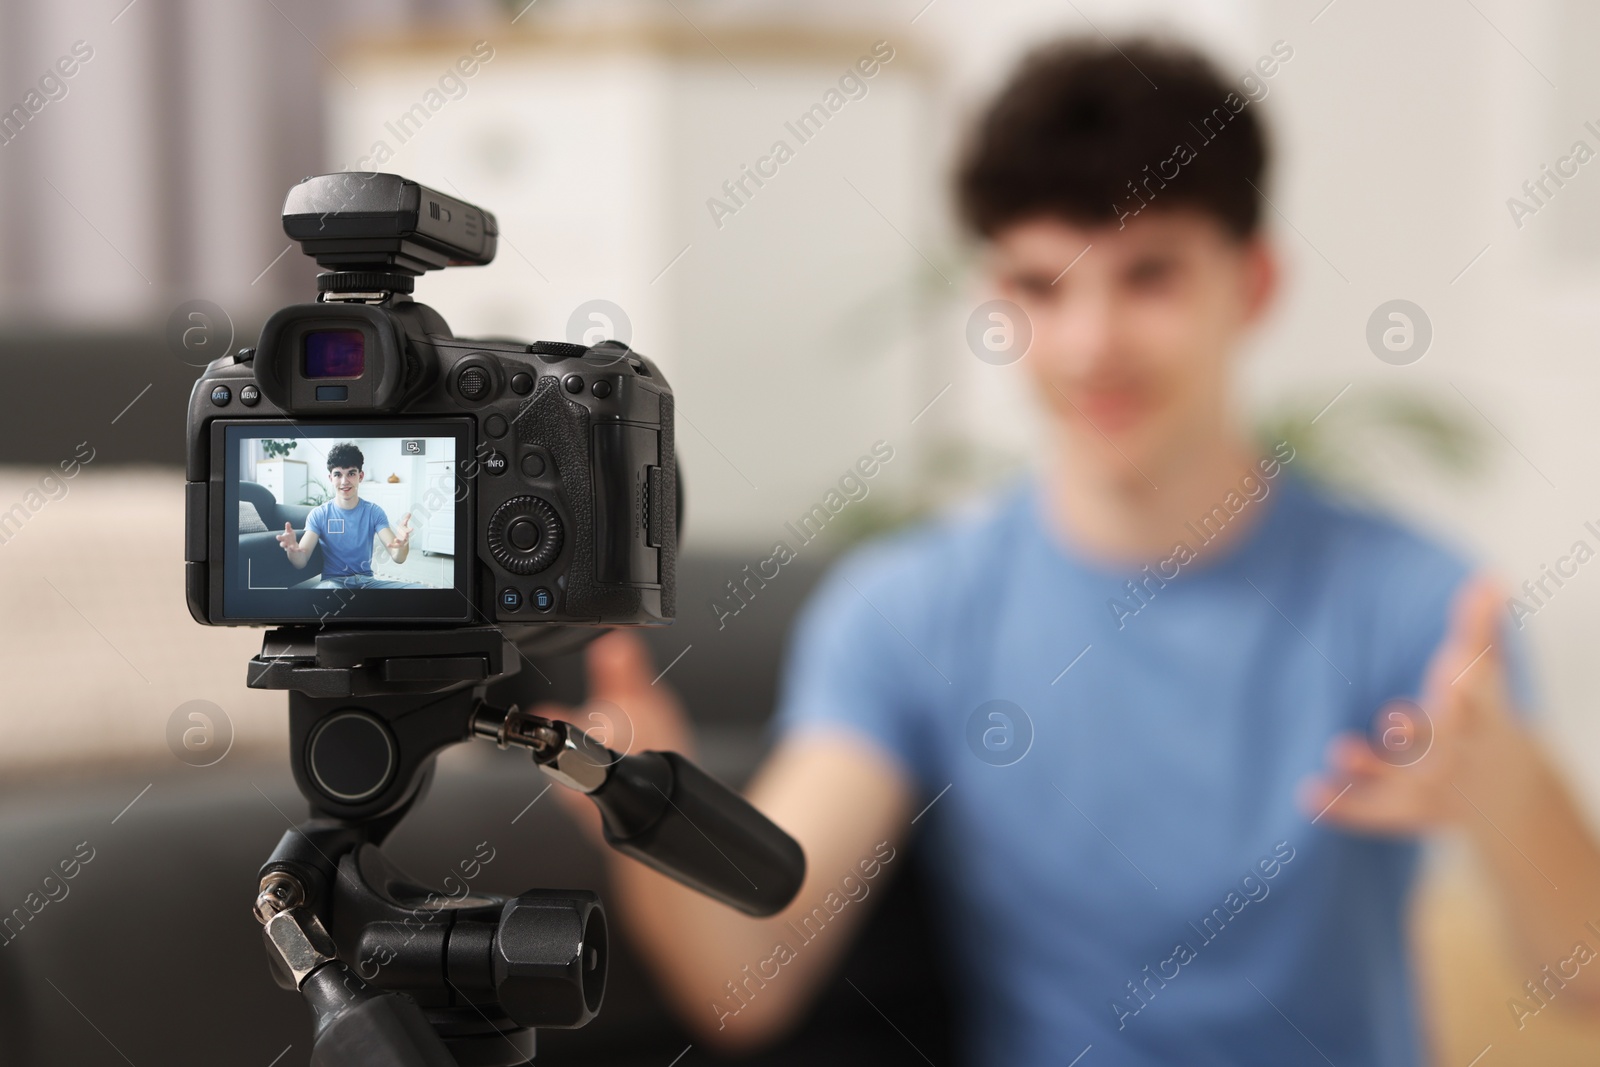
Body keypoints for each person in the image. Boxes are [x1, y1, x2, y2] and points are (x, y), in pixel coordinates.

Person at [541, 37, 1600, 1066]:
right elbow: (753, 978)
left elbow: (1584, 979)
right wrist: (634, 797)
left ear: (1256, 283)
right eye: (1043, 287)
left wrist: (1509, 789)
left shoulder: (1413, 603)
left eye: (1148, 277)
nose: (1091, 343)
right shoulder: (908, 608)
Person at [275, 441, 422, 589]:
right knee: (323, 595)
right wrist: (293, 550)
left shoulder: (374, 512)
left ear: (361, 476)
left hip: (367, 583)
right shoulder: (319, 514)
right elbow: (301, 561)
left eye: (351, 473)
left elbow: (398, 557)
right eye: (338, 474)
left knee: (420, 591)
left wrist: (403, 545)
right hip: (333, 584)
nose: (344, 481)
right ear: (330, 478)